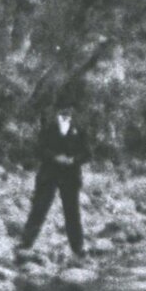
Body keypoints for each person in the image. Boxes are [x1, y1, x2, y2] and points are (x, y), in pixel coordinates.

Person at [17, 89, 94, 259]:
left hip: (70, 175)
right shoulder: (48, 125)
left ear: (73, 110)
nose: (66, 111)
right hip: (49, 173)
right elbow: (39, 149)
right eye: (63, 108)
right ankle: (26, 242)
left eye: (69, 108)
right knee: (39, 208)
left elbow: (88, 153)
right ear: (57, 109)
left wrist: (73, 160)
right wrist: (55, 157)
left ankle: (78, 248)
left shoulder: (80, 128)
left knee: (72, 212)